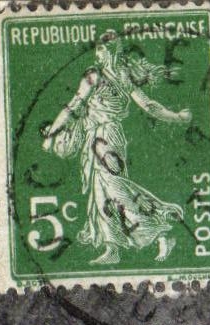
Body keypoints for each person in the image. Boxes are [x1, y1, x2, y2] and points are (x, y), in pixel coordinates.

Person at [40, 30, 191, 266]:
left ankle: (160, 229)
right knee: (103, 191)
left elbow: (72, 107)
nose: (100, 54)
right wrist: (177, 117)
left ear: (106, 52)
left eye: (102, 49)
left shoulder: (100, 75)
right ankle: (113, 248)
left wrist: (52, 133)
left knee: (112, 188)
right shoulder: (122, 75)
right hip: (105, 137)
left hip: (104, 139)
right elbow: (149, 106)